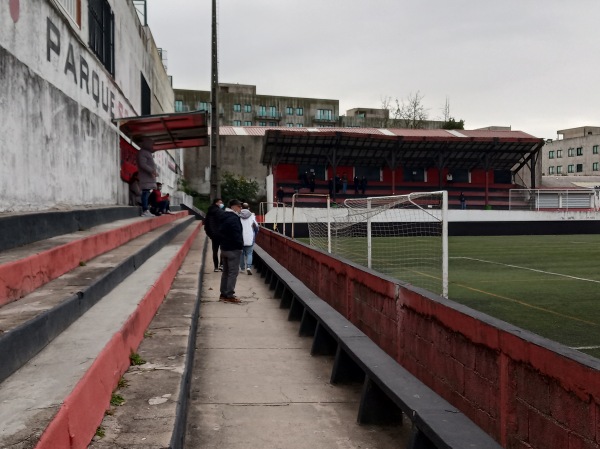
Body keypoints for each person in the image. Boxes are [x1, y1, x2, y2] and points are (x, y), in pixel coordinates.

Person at [217, 199, 244, 302]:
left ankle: (223, 293)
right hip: (233, 249)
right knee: (233, 272)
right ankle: (230, 295)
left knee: (226, 272)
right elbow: (236, 234)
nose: (240, 209)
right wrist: (240, 246)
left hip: (224, 247)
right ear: (234, 207)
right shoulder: (234, 218)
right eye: (239, 206)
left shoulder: (223, 216)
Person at [137, 138, 158, 217]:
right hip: (145, 177)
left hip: (149, 177)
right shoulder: (142, 152)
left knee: (147, 193)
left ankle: (146, 209)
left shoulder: (147, 153)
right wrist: (151, 171)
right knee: (145, 193)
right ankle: (145, 210)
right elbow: (143, 164)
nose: (152, 146)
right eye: (151, 144)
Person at [203, 198, 224, 272]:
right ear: (216, 203)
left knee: (215, 251)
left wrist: (210, 234)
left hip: (213, 234)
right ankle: (221, 265)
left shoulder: (209, 212)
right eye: (220, 202)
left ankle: (215, 267)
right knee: (222, 250)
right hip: (221, 234)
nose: (221, 204)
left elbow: (206, 224)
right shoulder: (220, 212)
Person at [239, 203, 259, 275]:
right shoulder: (252, 216)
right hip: (250, 237)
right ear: (248, 208)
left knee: (241, 253)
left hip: (240, 237)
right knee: (249, 253)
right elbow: (256, 227)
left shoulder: (239, 216)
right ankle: (249, 267)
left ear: (241, 208)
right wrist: (255, 234)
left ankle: (242, 268)